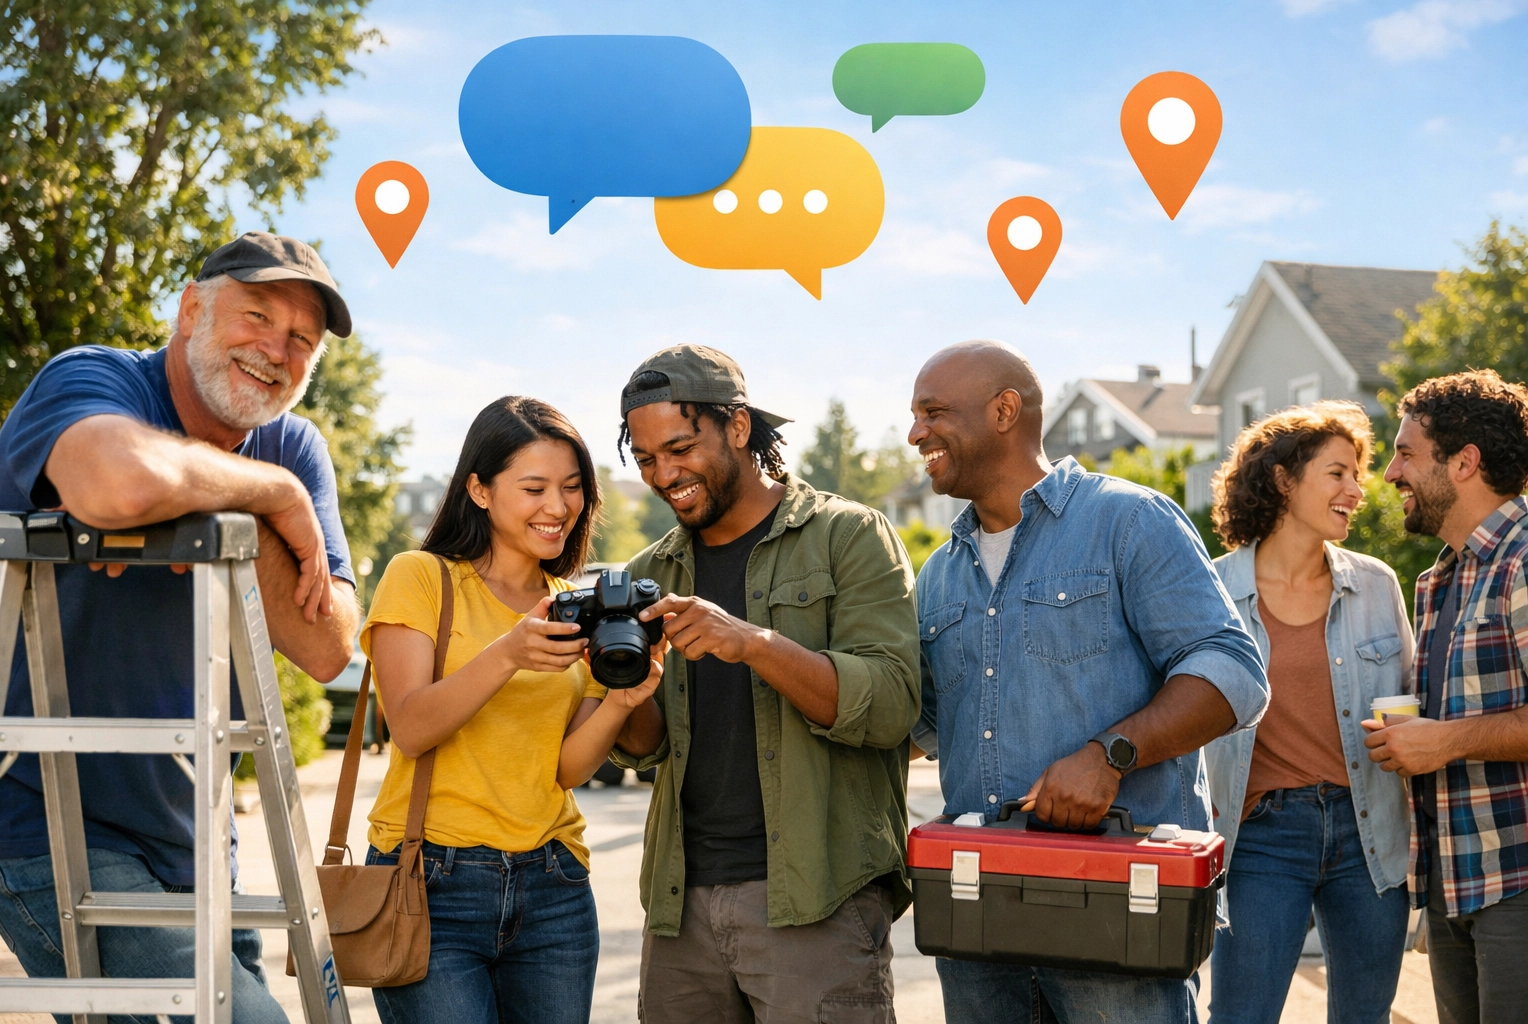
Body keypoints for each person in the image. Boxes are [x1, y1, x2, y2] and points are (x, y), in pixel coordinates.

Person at [0, 231, 361, 1023]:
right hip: (47, 826)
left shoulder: (293, 445)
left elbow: (329, 645)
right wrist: (273, 498)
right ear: (191, 309)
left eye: (300, 339)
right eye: (256, 316)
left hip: (197, 843)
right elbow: (119, 481)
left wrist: (220, 497)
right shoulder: (91, 379)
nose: (276, 349)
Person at [909, 340, 1268, 1024]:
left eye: (933, 411)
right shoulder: (938, 574)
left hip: (1119, 920)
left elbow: (1233, 674)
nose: (915, 432)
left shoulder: (1129, 521)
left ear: (1005, 410)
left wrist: (1112, 754)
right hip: (977, 924)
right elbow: (921, 727)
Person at [608, 345, 920, 1024]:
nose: (665, 474)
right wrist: (620, 690)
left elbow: (892, 704)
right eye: (648, 459)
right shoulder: (648, 572)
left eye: (681, 447)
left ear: (738, 428)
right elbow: (644, 747)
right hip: (679, 907)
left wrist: (754, 643)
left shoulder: (849, 536)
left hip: (816, 900)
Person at [360, 396, 662, 1024]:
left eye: (573, 488)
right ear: (479, 488)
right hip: (430, 881)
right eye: (534, 488)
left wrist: (624, 700)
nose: (558, 507)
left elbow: (567, 769)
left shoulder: (572, 608)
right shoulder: (421, 577)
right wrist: (506, 654)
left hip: (553, 885)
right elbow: (411, 728)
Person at [1202, 402, 1413, 1024]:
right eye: (1338, 473)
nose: (1357, 490)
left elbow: (1403, 699)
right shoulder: (1213, 592)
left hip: (1367, 831)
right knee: (1241, 1016)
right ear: (1283, 479)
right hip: (1261, 837)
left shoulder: (1376, 585)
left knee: (1364, 1017)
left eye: (1358, 474)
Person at [1364, 370, 1528, 1024]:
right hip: (1451, 882)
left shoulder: (1523, 560)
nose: (1389, 473)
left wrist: (1446, 742)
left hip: (1517, 883)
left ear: (1464, 463)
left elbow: (1452, 738)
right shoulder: (1437, 579)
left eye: (1406, 453)